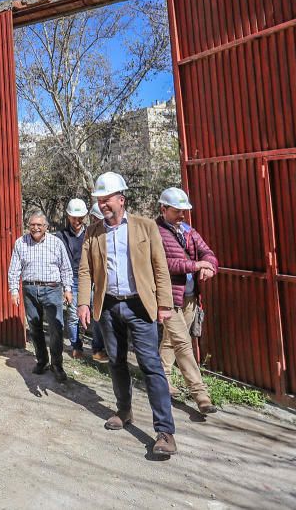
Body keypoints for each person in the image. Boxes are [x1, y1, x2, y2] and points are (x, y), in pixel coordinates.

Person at [78, 172, 178, 456]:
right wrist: (84, 303)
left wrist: (165, 304)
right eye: (99, 200)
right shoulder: (93, 232)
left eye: (106, 199)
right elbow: (85, 270)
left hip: (139, 305)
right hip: (109, 305)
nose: (102, 204)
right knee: (117, 362)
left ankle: (165, 432)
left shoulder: (145, 227)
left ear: (121, 199)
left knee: (150, 366)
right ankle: (124, 410)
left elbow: (160, 267)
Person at [156, 187, 219, 415]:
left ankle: (161, 378)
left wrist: (209, 266)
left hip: (191, 296)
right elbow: (164, 264)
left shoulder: (188, 231)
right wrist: (195, 265)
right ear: (163, 209)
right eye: (177, 211)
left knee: (171, 341)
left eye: (184, 211)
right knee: (183, 342)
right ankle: (200, 394)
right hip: (169, 297)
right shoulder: (155, 233)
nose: (182, 215)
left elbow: (207, 252)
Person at [8, 211, 74, 383]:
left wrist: (68, 289)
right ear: (28, 225)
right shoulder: (20, 243)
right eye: (32, 224)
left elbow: (66, 268)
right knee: (35, 327)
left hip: (52, 289)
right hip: (29, 289)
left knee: (56, 328)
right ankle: (42, 361)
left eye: (39, 225)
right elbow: (14, 269)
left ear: (46, 227)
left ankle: (57, 365)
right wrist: (14, 291)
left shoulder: (56, 243)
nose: (35, 227)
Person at [55, 199, 92, 359]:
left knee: (96, 314)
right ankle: (77, 346)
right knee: (73, 315)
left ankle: (98, 347)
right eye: (73, 217)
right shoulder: (60, 236)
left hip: (91, 279)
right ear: (68, 216)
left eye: (80, 217)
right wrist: (65, 287)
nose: (77, 221)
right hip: (71, 280)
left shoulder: (91, 233)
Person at [86, 200, 109, 363]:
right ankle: (98, 349)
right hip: (97, 284)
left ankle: (107, 349)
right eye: (94, 218)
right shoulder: (91, 234)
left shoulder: (112, 233)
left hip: (112, 285)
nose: (95, 221)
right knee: (98, 317)